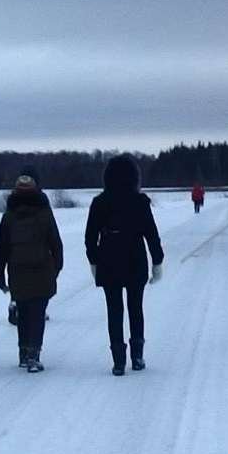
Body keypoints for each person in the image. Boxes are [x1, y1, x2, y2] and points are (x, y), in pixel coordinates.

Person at [85, 155, 164, 376]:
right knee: (135, 307)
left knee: (114, 310)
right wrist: (157, 261)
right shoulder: (140, 202)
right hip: (135, 258)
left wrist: (94, 260)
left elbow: (90, 237)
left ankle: (118, 361)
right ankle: (137, 357)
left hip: (108, 259)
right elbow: (151, 234)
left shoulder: (99, 203)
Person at [0, 174, 63, 373]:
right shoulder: (44, 212)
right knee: (38, 312)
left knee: (23, 311)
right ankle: (34, 354)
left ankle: (23, 352)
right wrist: (56, 267)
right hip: (41, 269)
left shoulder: (9, 215)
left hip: (17, 269)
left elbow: (2, 247)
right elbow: (55, 242)